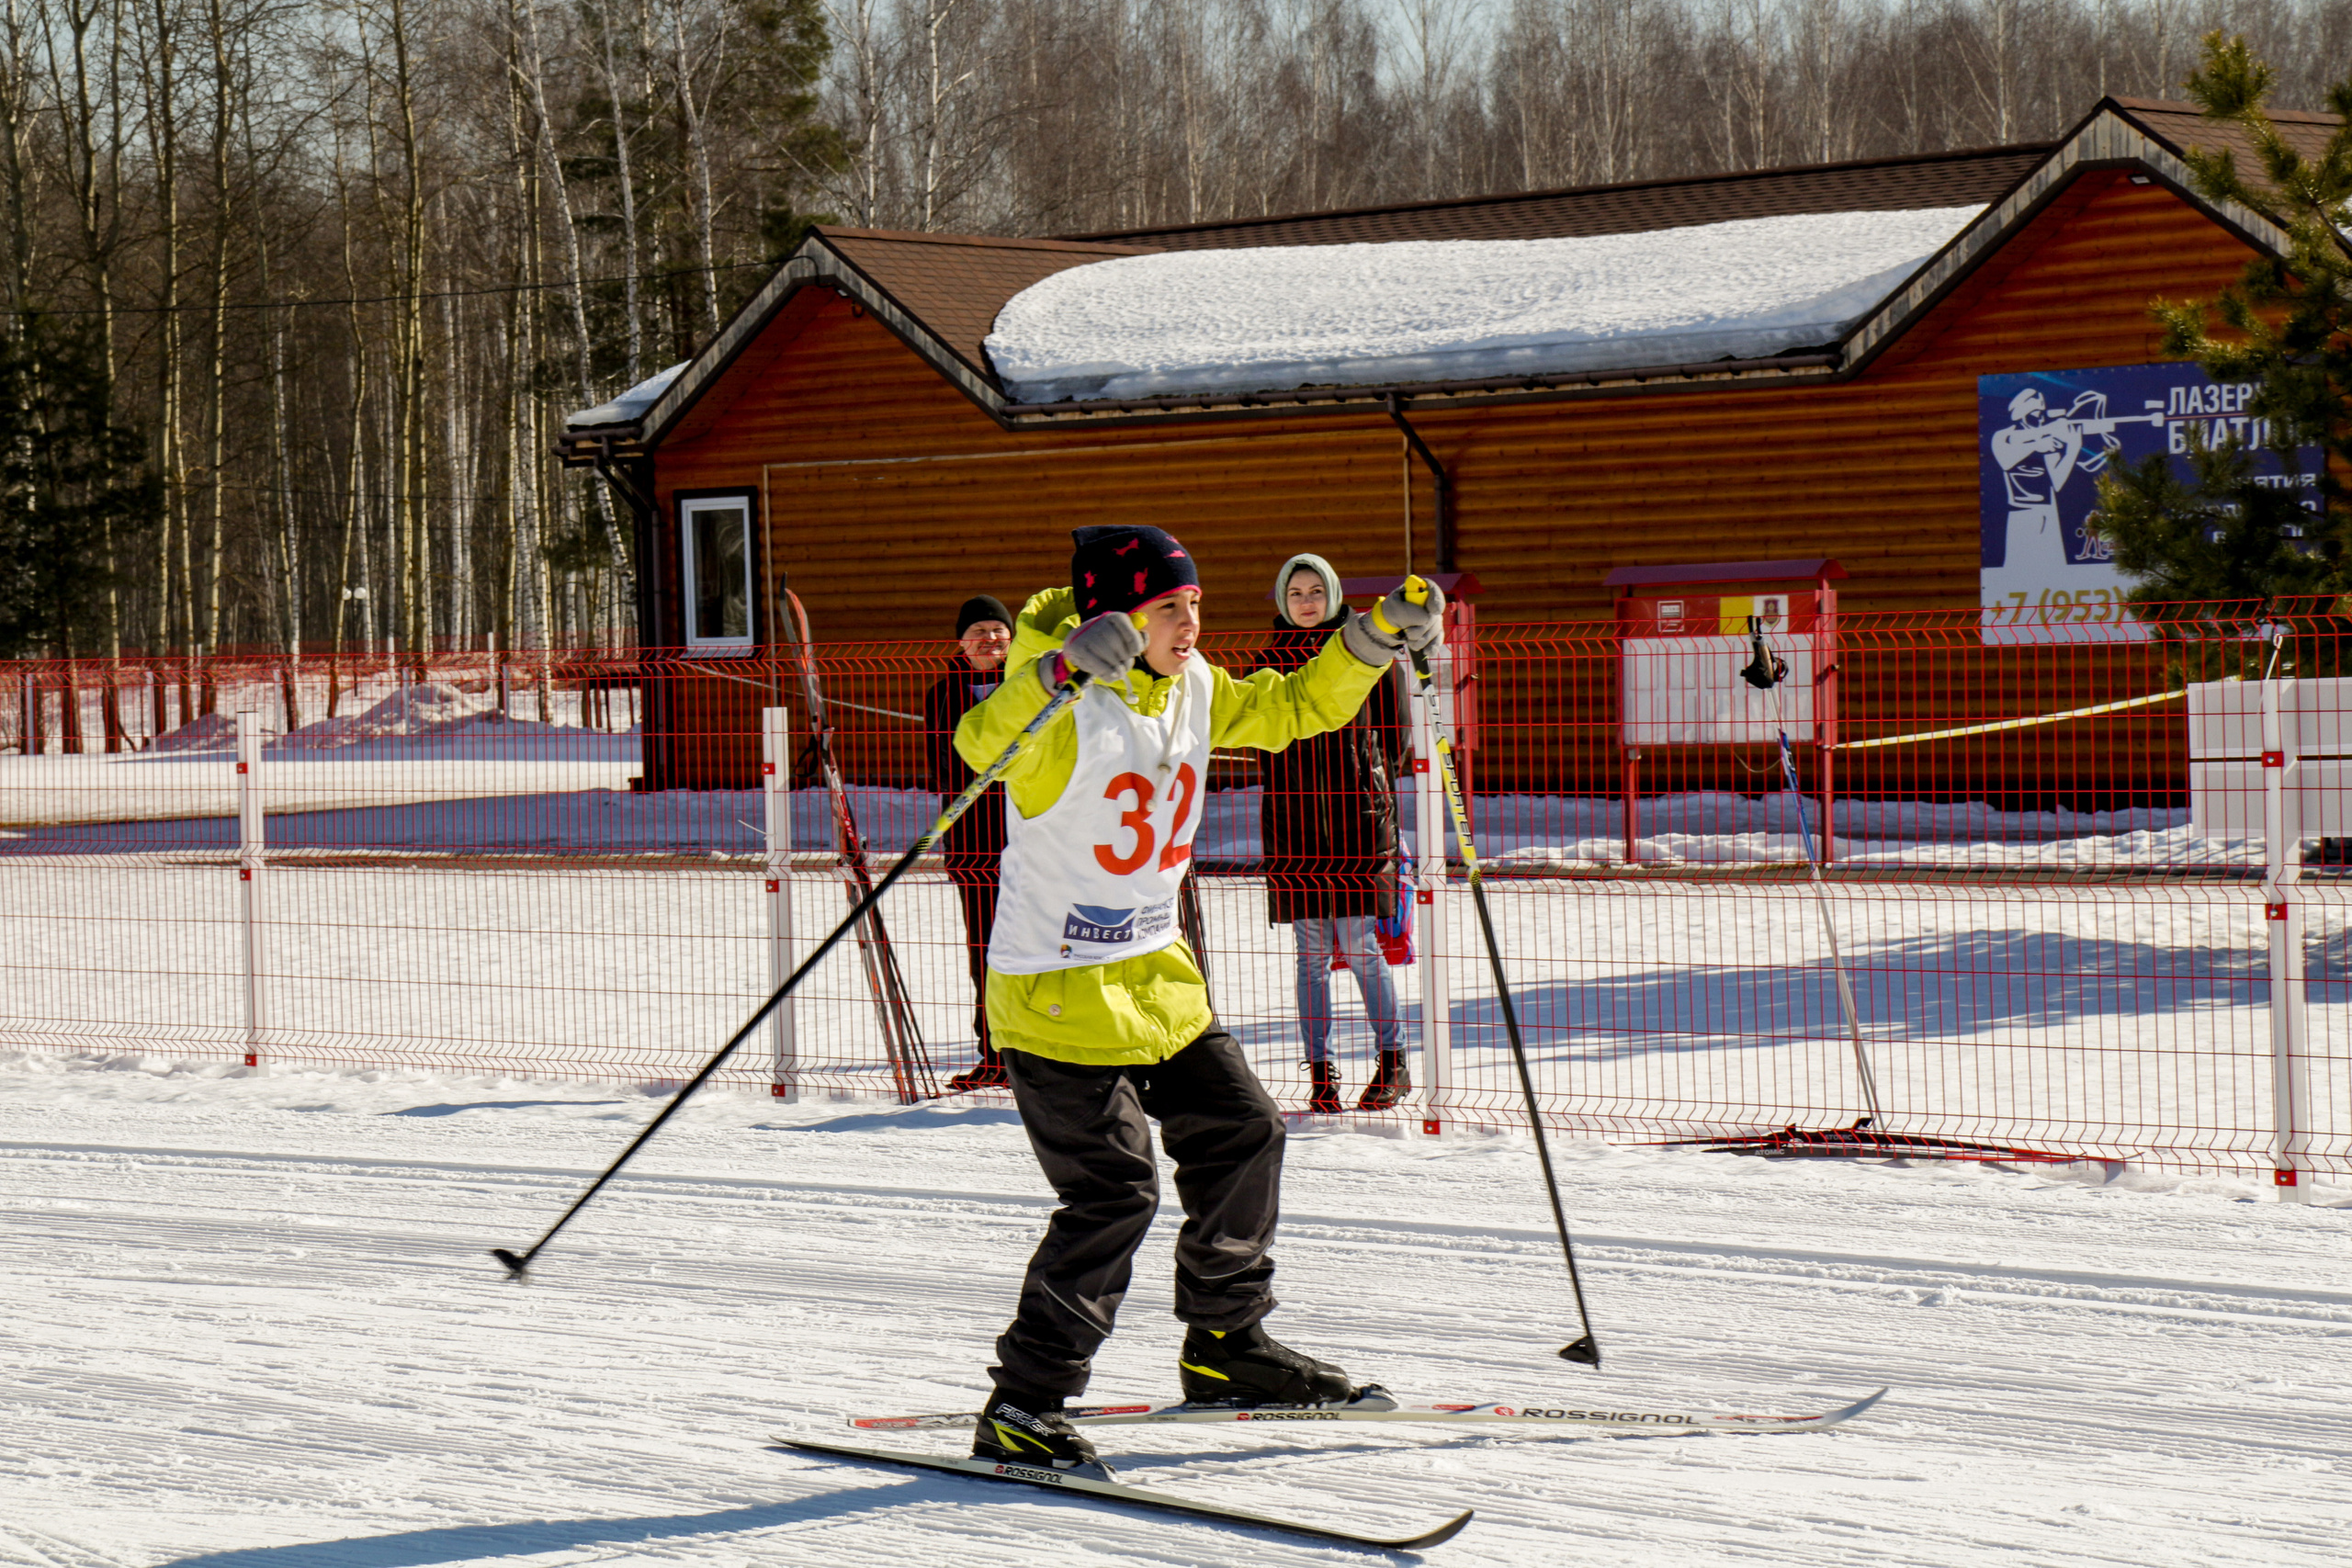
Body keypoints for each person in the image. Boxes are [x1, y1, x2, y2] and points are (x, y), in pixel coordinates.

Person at [951, 525, 1443, 1479]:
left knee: (1243, 1131)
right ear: (1115, 618)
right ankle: (1023, 1404)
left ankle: (1226, 1344)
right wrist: (1056, 669)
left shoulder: (1196, 687)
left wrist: (1370, 639)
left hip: (1157, 978)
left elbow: (1295, 704)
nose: (1190, 623)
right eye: (1168, 607)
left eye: (1195, 604)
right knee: (1113, 1191)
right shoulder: (1069, 704)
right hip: (1056, 991)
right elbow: (985, 743)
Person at [1261, 554, 1410, 1114]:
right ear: (1283, 600)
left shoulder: (1366, 650)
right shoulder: (1269, 661)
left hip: (1357, 823)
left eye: (1315, 592)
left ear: (1333, 595)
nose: (1306, 602)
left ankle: (1393, 1062)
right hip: (1294, 828)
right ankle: (1321, 1075)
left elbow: (1395, 736)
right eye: (1296, 593)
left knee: (1361, 947)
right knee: (1310, 956)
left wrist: (1367, 784)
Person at [925, 595, 1015, 1093]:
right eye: (979, 631)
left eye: (998, 630)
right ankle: (994, 1056)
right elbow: (945, 764)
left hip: (1030, 838)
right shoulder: (943, 694)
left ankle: (1040, 1058)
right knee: (986, 948)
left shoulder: (1027, 685)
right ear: (961, 641)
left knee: (1039, 949)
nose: (990, 639)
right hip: (973, 841)